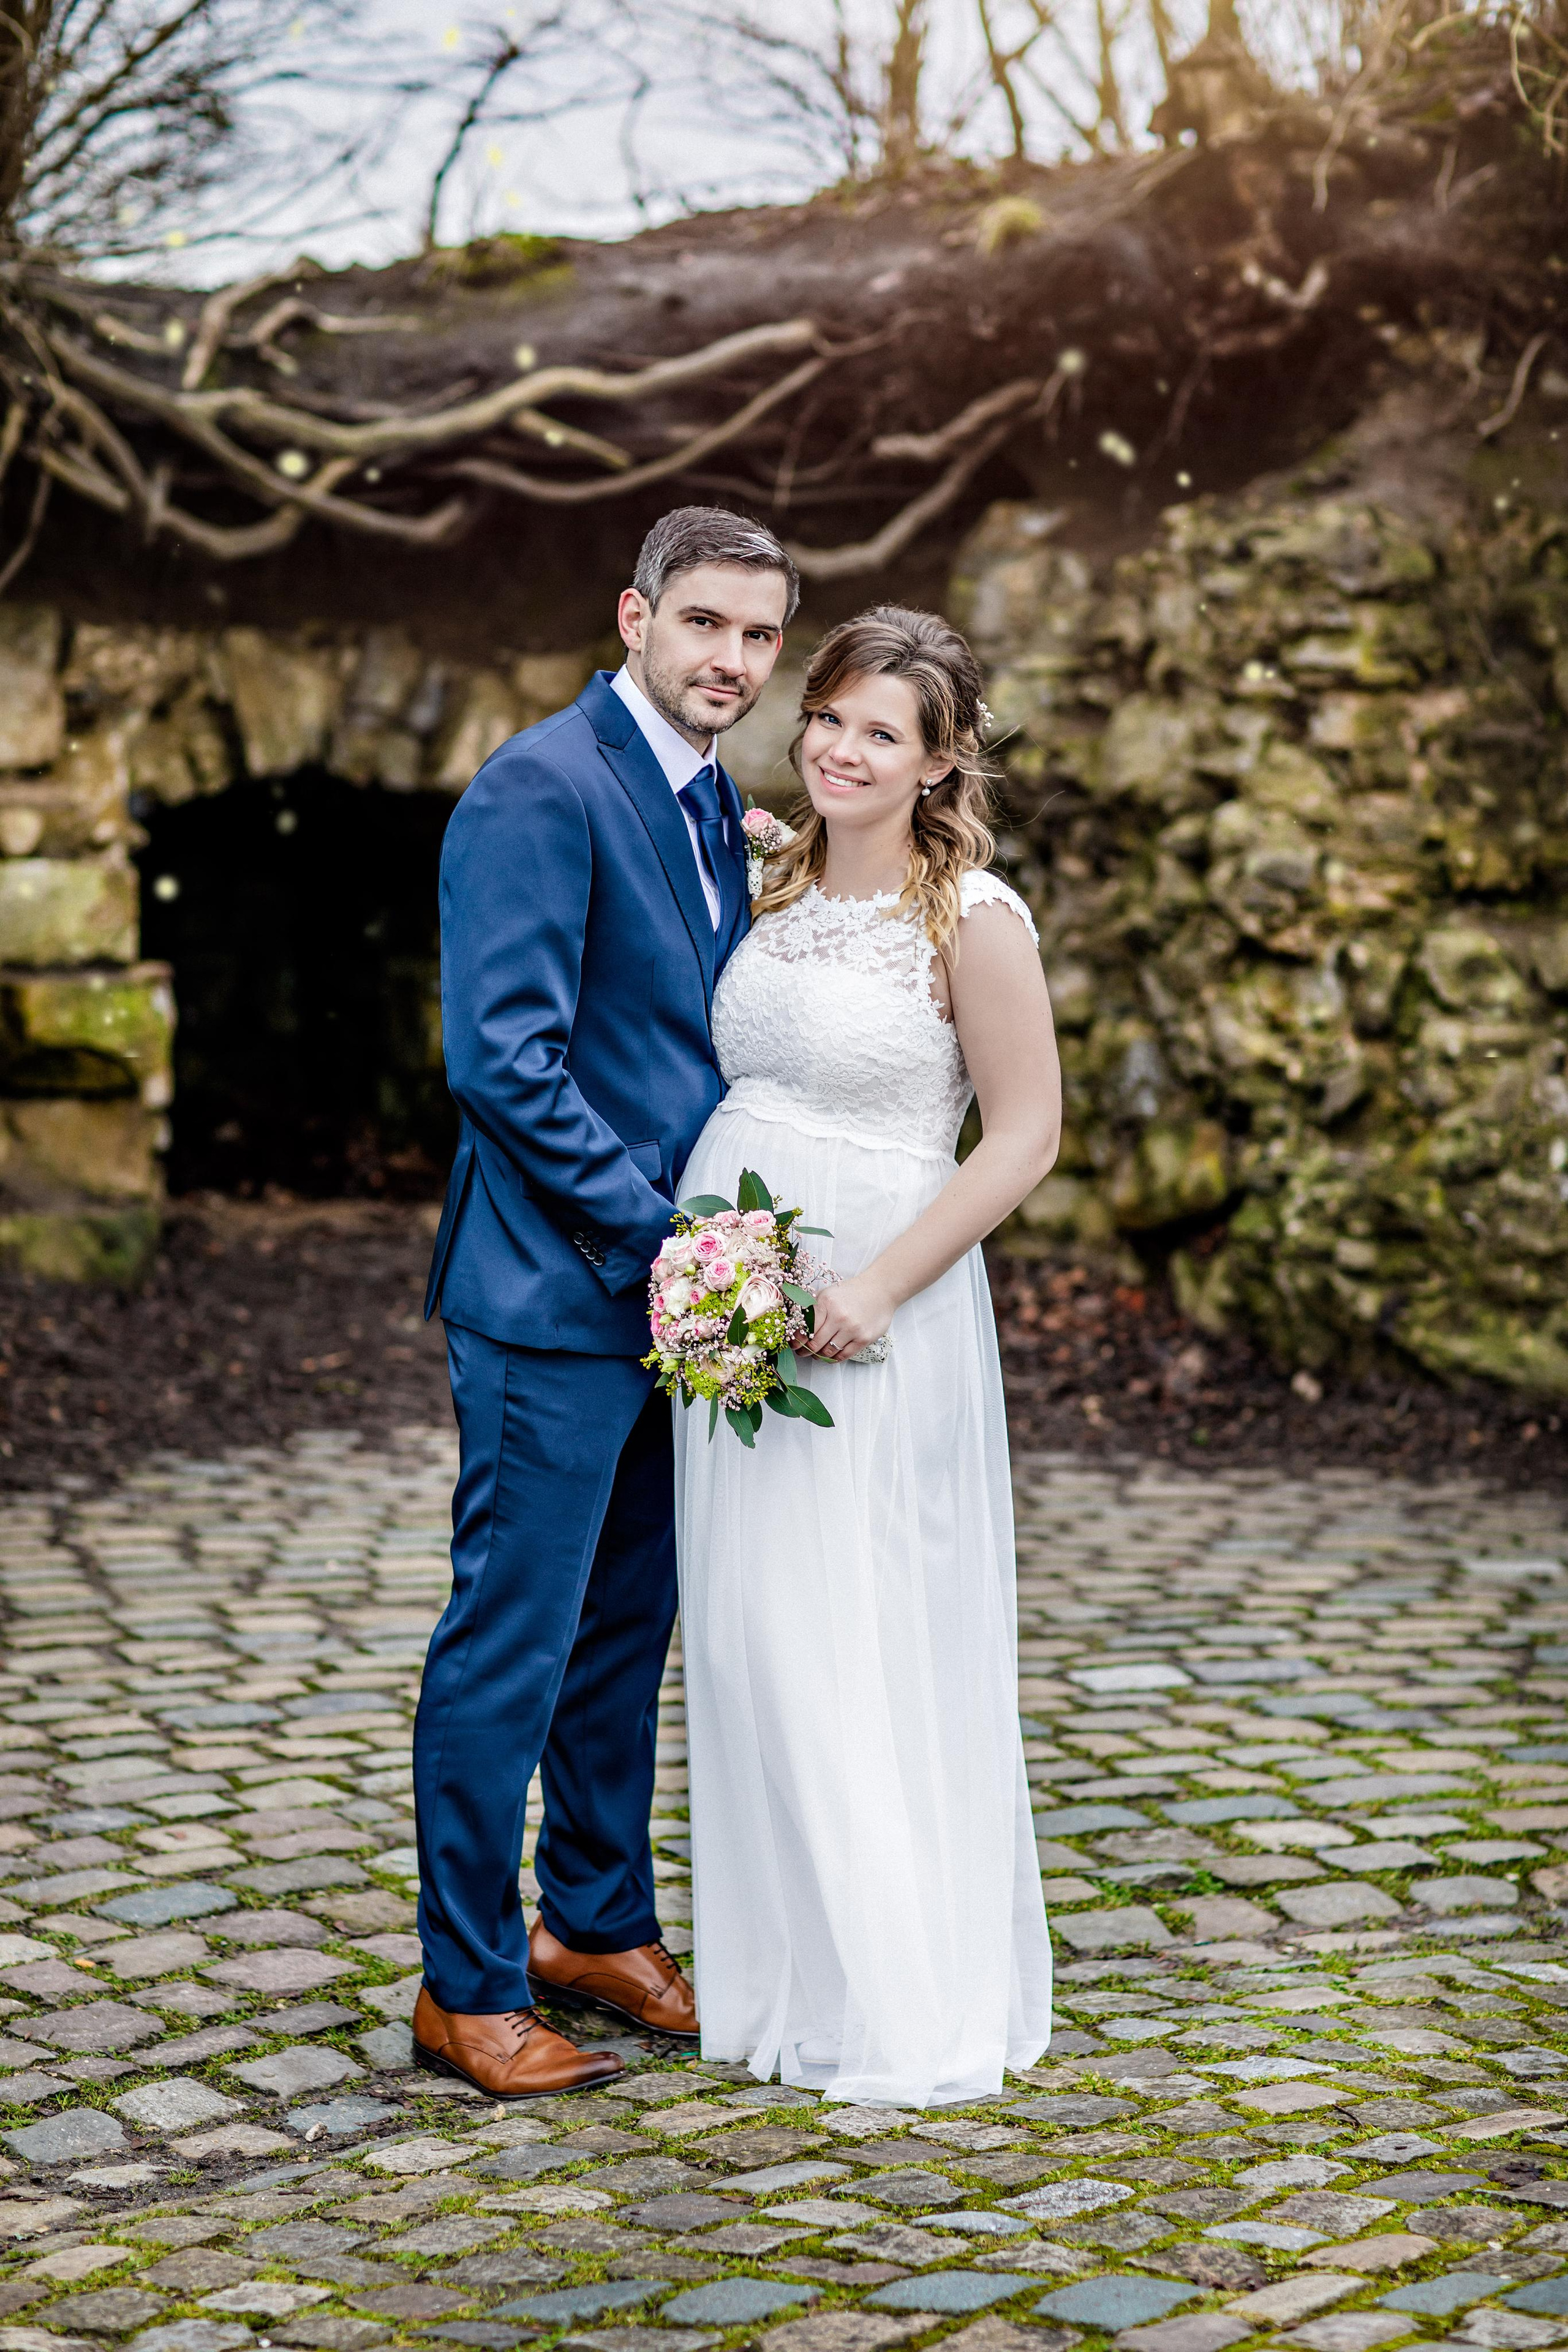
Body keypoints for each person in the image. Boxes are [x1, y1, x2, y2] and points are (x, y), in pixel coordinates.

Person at [412, 506, 796, 2097]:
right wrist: (672, 1239)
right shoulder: (537, 787)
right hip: (553, 1294)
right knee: (514, 1634)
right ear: (634, 616)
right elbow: (504, 1060)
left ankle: (596, 1920)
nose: (731, 659)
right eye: (704, 623)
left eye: (760, 636)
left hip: (667, 1300)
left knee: (628, 1630)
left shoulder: (711, 804)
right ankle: (465, 1983)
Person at [675, 606, 1060, 2106]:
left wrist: (885, 1284)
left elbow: (1022, 1135)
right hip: (735, 1298)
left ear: (938, 758)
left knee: (862, 1629)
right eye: (827, 714)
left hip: (877, 1300)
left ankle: (903, 1990)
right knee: (752, 1632)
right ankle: (790, 1981)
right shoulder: (763, 878)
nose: (840, 746)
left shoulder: (973, 917)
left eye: (879, 731)